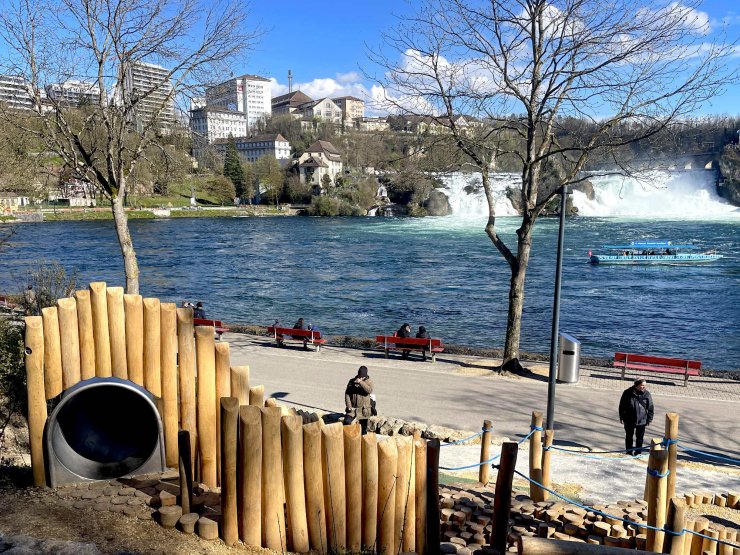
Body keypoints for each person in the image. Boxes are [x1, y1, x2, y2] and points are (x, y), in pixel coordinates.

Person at [619, 378, 654, 456]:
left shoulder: (647, 394)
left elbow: (650, 407)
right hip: (629, 419)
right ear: (636, 385)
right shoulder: (627, 393)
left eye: (644, 385)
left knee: (640, 438)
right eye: (641, 385)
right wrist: (621, 416)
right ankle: (629, 452)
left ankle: (638, 453)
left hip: (642, 420)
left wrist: (649, 419)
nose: (643, 387)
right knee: (629, 437)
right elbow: (622, 406)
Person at [344, 366, 374, 434]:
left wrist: (361, 382)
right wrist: (349, 405)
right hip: (353, 409)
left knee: (363, 430)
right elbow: (347, 394)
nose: (360, 378)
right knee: (347, 422)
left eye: (362, 377)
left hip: (364, 409)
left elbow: (369, 390)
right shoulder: (352, 381)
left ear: (365, 376)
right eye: (359, 376)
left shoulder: (369, 382)